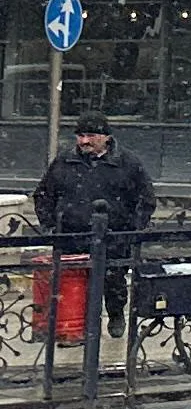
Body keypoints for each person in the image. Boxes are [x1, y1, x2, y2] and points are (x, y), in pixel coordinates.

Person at [34, 117, 156, 322]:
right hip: (72, 238)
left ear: (106, 137)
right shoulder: (65, 161)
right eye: (80, 136)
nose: (84, 141)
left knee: (114, 284)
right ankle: (82, 326)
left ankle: (116, 316)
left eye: (91, 136)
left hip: (114, 238)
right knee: (75, 287)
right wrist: (50, 227)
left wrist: (131, 231)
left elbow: (145, 200)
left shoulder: (128, 163)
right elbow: (44, 194)